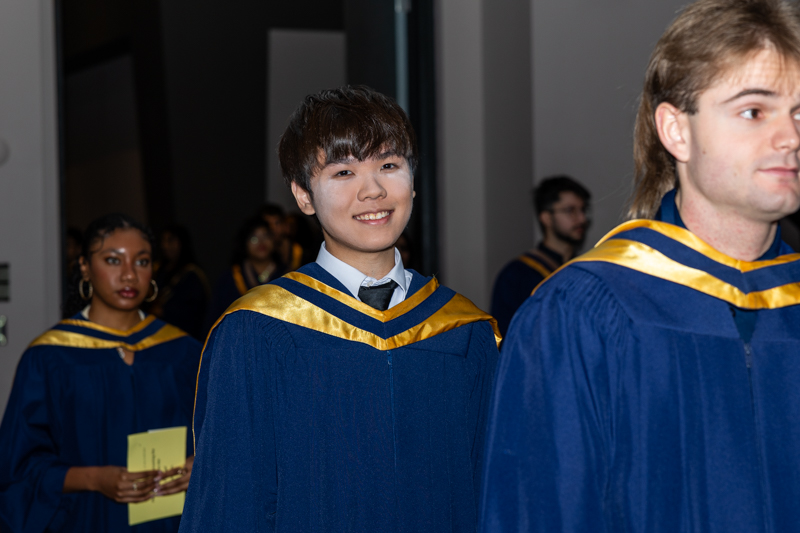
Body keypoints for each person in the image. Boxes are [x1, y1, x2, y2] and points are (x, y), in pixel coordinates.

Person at [481, 0, 800, 531]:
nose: (790, 137)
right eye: (754, 111)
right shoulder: (582, 314)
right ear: (677, 131)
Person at [180, 86, 501, 533]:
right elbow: (231, 504)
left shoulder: (465, 332)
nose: (372, 190)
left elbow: (495, 493)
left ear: (412, 178)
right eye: (343, 172)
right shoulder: (259, 331)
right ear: (303, 195)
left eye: (389, 165)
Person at [0, 214, 201, 532]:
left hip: (171, 521)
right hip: (84, 517)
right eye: (112, 260)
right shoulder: (50, 358)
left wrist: (201, 463)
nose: (129, 275)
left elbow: (219, 436)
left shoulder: (184, 353)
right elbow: (18, 466)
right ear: (84, 266)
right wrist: (93, 478)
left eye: (142, 261)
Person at [490, 176, 590, 336]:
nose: (582, 219)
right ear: (546, 218)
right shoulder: (517, 275)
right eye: (570, 210)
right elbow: (507, 339)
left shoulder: (584, 269)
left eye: (583, 210)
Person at [203, 217, 285, 332]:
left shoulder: (287, 277)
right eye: (254, 238)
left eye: (265, 236)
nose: (261, 242)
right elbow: (214, 321)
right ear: (244, 243)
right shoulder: (230, 279)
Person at [148, 225, 209, 340]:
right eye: (163, 240)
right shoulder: (158, 270)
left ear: (182, 243)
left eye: (170, 240)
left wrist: (165, 311)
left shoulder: (192, 274)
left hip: (184, 336)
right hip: (158, 335)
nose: (165, 246)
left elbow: (197, 313)